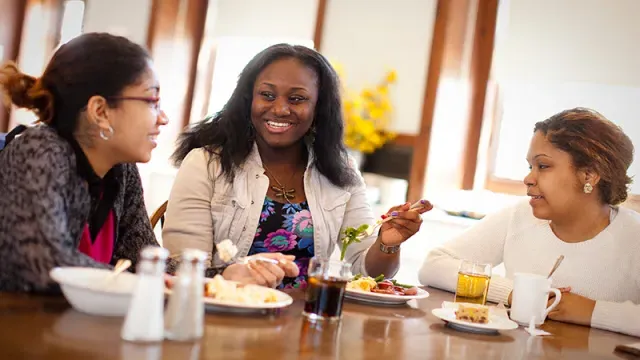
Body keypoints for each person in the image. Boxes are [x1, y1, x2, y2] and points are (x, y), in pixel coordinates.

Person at [163, 44, 431, 289]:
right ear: (248, 101)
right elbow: (183, 268)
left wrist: (386, 244)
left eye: (297, 98)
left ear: (319, 108)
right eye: (267, 95)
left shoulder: (342, 171)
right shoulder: (206, 163)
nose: (279, 109)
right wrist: (232, 276)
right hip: (225, 315)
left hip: (309, 320)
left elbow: (366, 274)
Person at [419, 108, 640, 337]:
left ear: (589, 175)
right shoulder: (519, 216)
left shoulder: (634, 237)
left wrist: (594, 312)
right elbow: (434, 265)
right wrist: (515, 293)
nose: (528, 178)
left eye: (543, 166)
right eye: (530, 167)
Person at [0, 33, 170, 292]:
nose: (163, 118)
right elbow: (45, 265)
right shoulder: (39, 150)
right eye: (152, 102)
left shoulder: (121, 170)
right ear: (100, 111)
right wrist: (149, 283)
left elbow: (147, 264)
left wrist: (224, 274)